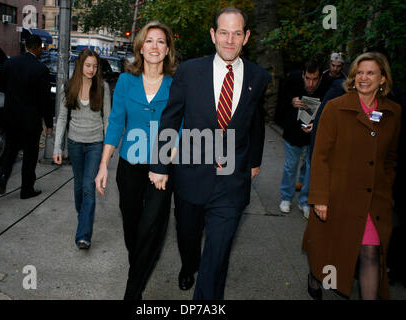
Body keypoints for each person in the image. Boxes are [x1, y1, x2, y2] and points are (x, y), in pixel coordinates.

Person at [149, 7, 270, 300]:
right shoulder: (190, 71)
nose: (230, 40)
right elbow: (171, 117)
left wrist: (254, 161)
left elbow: (256, 122)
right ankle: (189, 264)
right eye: (224, 32)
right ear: (213, 35)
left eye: (237, 33)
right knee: (189, 237)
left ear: (246, 37)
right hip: (192, 174)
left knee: (218, 252)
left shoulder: (258, 76)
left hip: (232, 181)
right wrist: (160, 165)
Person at [303, 52, 401, 300]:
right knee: (329, 253)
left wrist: (386, 185)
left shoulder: (393, 112)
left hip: (373, 200)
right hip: (338, 195)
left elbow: (391, 158)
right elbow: (321, 156)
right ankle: (316, 278)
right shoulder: (336, 107)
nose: (363, 77)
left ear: (382, 79)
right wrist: (320, 197)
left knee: (370, 252)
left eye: (370, 73)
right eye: (359, 72)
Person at [94, 21, 177, 300]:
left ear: (167, 50)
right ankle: (138, 267)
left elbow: (180, 129)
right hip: (129, 165)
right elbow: (116, 123)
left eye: (161, 42)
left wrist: (163, 164)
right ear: (141, 47)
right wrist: (104, 164)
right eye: (149, 41)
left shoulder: (176, 85)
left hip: (161, 170)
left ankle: (132, 291)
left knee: (151, 226)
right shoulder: (127, 81)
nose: (154, 46)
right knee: (132, 225)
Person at [52, 49, 111, 249]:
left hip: (95, 143)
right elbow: (61, 118)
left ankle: (84, 235)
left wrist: (107, 153)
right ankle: (83, 218)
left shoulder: (102, 87)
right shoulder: (69, 86)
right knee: (79, 186)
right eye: (88, 65)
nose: (91, 70)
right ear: (80, 66)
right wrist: (57, 147)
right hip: (75, 143)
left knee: (88, 187)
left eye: (95, 66)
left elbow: (107, 121)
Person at [0, 35, 53, 199]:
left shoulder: (10, 63)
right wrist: (49, 123)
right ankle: (26, 189)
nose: (42, 51)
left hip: (11, 116)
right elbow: (45, 100)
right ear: (37, 48)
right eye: (41, 48)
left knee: (10, 149)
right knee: (30, 155)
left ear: (26, 46)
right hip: (31, 120)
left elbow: (0, 86)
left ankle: (3, 176)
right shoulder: (40, 69)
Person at [278, 61, 327, 218]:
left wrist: (316, 123)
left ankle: (305, 201)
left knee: (309, 169)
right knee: (290, 166)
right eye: (308, 78)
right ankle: (286, 197)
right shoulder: (292, 81)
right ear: (303, 75)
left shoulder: (326, 87)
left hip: (313, 136)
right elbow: (279, 104)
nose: (311, 83)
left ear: (320, 77)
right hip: (293, 133)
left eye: (314, 79)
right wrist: (292, 102)